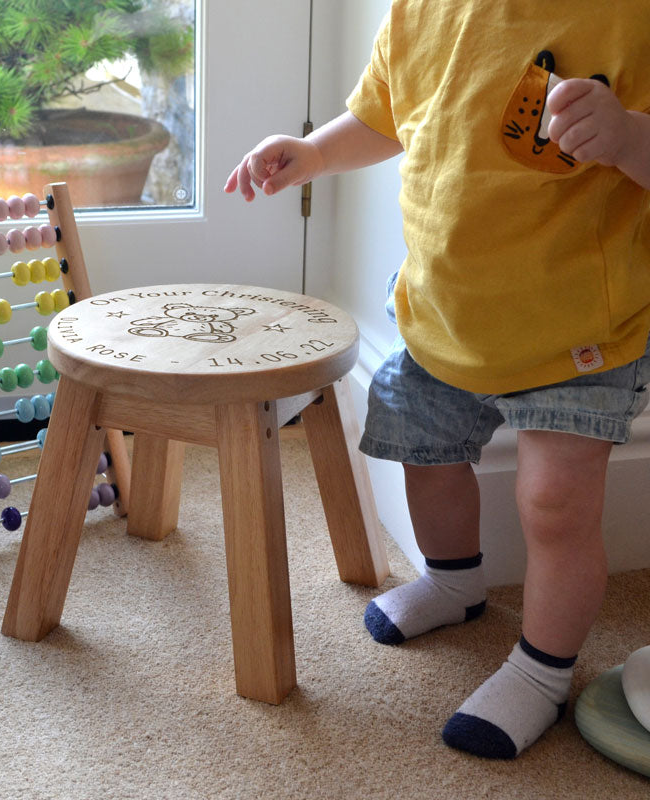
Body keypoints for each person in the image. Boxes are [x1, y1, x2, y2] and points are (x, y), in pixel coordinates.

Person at [224, 0, 650, 760]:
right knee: (424, 446)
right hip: (443, 311)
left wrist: (627, 138)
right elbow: (387, 113)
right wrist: (314, 153)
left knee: (555, 505)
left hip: (578, 330)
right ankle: (454, 583)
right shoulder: (424, 9)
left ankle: (544, 671)